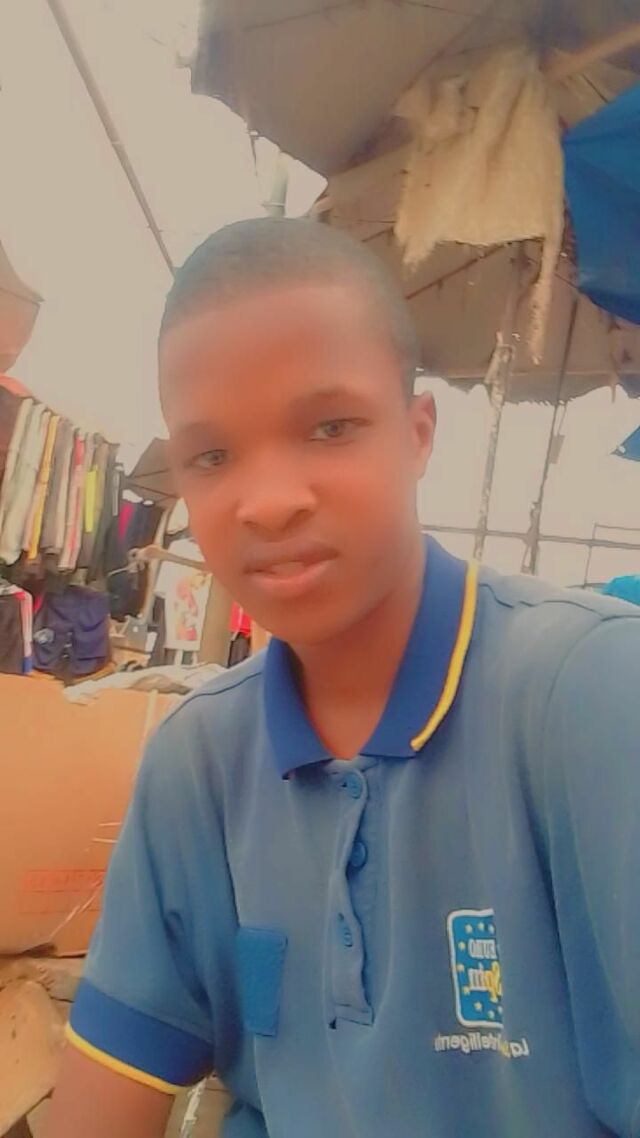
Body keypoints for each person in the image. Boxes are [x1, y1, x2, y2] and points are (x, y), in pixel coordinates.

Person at [46, 219, 640, 1138]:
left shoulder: (590, 696)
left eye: (330, 427)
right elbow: (105, 1094)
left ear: (418, 434)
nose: (270, 501)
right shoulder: (201, 759)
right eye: (212, 455)